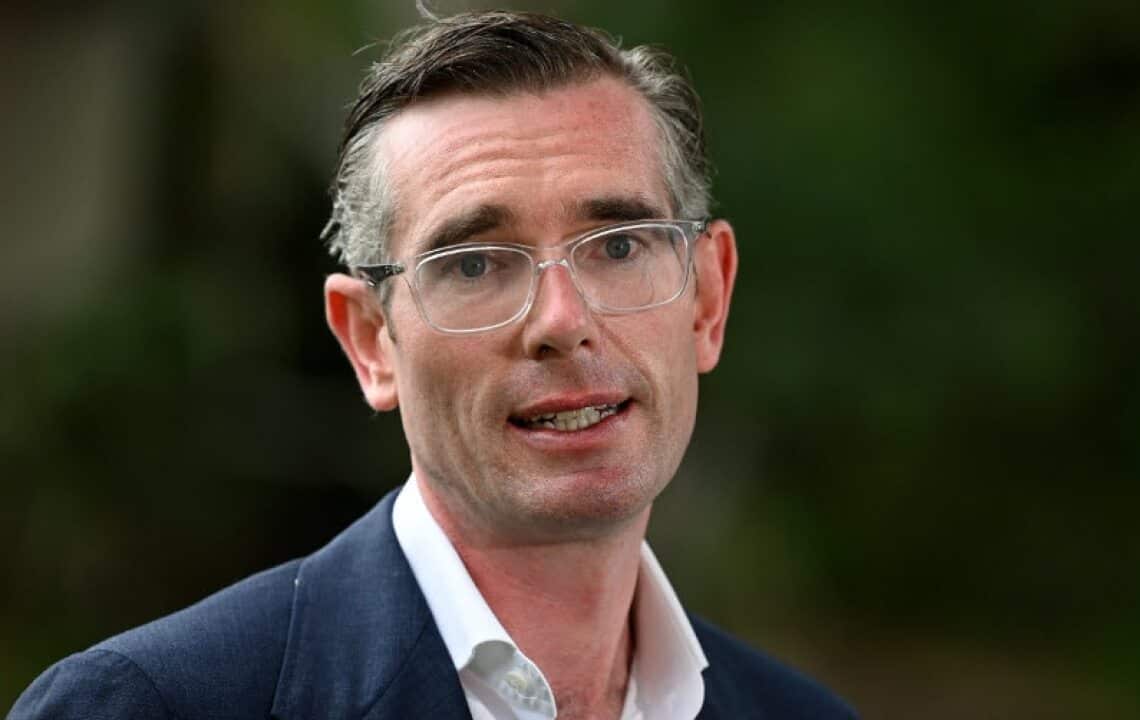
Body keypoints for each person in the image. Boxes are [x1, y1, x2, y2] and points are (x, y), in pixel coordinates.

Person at [10, 10, 856, 720]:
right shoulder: (146, 707)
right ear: (371, 340)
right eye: (476, 264)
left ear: (706, 300)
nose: (564, 322)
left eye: (621, 245)